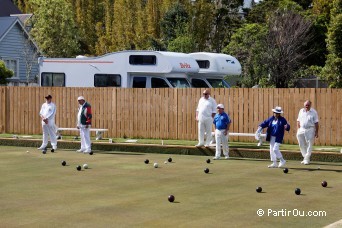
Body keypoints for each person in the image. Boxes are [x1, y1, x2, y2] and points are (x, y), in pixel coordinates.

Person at [296, 100, 319, 165]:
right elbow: (298, 121)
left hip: (310, 129)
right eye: (306, 105)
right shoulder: (301, 111)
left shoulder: (314, 112)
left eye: (308, 105)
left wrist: (316, 132)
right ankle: (305, 157)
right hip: (301, 129)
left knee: (309, 145)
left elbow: (316, 123)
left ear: (310, 105)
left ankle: (306, 159)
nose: (307, 106)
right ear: (304, 105)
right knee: (301, 144)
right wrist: (298, 129)